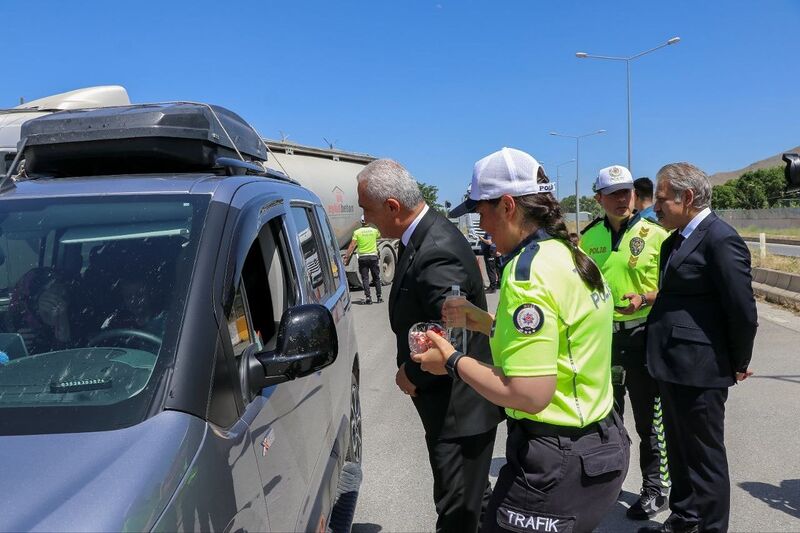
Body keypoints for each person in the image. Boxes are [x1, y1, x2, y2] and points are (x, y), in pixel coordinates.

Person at [416, 147, 630, 533]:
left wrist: (450, 360)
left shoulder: (527, 272)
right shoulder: (570, 254)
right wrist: (484, 322)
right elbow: (560, 340)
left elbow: (529, 393)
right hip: (598, 443)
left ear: (508, 206)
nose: (482, 227)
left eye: (481, 214)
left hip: (557, 459)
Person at [356, 158, 503, 533]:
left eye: (367, 210)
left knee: (456, 511)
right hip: (452, 404)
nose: (364, 220)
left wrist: (414, 374)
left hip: (457, 408)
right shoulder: (421, 236)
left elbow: (453, 337)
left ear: (392, 207)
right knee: (473, 499)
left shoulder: (435, 247)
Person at [640, 162, 758, 533]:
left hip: (702, 368)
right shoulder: (675, 239)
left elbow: (742, 311)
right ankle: (685, 518)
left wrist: (737, 362)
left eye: (661, 200)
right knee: (679, 451)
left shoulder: (720, 238)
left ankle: (709, 527)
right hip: (673, 365)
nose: (655, 207)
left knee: (704, 459)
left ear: (687, 198)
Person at [580, 165, 671, 520]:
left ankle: (655, 488)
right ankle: (608, 483)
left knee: (649, 419)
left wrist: (646, 298)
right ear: (598, 198)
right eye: (614, 193)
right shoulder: (589, 239)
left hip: (642, 336)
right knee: (606, 417)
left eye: (627, 192)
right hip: (604, 339)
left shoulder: (657, 234)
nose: (622, 199)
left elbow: (676, 286)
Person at [9, 267, 81, 355]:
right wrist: (15, 348)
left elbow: (71, 357)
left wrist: (63, 323)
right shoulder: (13, 327)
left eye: (63, 297)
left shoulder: (77, 322)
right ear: (32, 305)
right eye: (49, 299)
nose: (58, 302)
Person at [345, 215, 383, 304]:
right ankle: (379, 297)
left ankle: (368, 298)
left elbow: (352, 245)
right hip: (373, 257)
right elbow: (380, 236)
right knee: (376, 277)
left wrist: (347, 256)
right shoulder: (374, 231)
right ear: (368, 222)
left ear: (361, 222)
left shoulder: (357, 232)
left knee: (365, 278)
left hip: (363, 258)